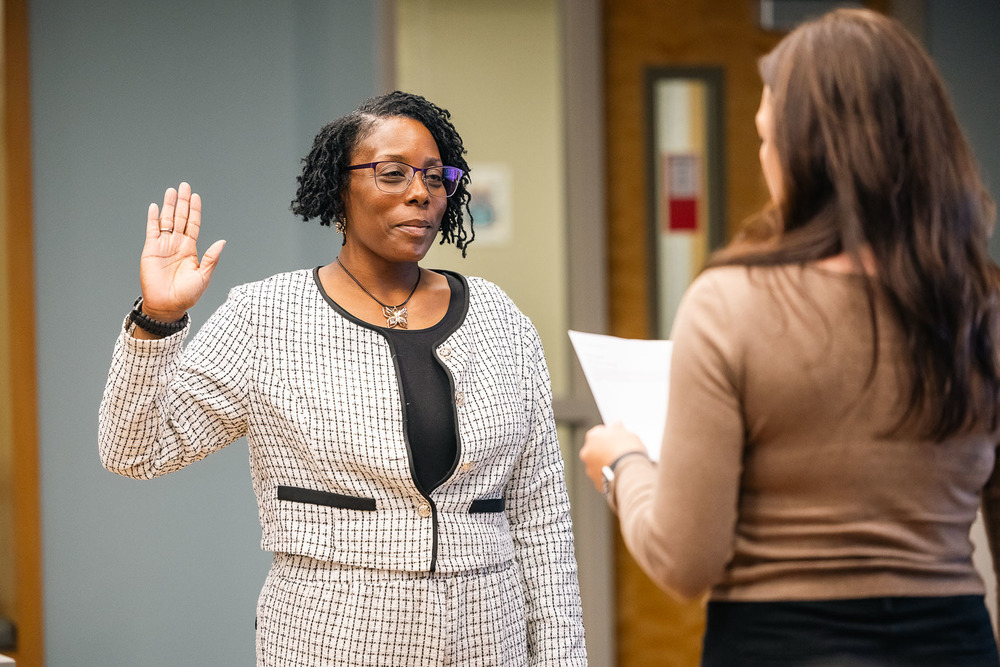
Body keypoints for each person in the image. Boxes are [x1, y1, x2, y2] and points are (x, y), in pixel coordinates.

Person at [99, 91, 587, 666]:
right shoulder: (267, 316)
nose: (420, 193)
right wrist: (157, 320)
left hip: (488, 636)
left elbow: (541, 520)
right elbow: (134, 450)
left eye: (435, 177)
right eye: (393, 173)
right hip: (331, 637)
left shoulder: (499, 318)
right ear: (339, 189)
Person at [580, 8, 1000, 666]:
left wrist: (622, 463)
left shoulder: (731, 305)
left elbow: (684, 559)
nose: (765, 160)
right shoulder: (983, 308)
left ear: (803, 155)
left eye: (766, 139)